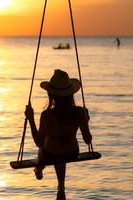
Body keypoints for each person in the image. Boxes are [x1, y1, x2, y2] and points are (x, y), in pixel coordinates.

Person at [24, 69, 92, 200]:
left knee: (45, 147)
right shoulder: (79, 112)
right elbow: (88, 140)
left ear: (51, 95)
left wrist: (31, 118)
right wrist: (86, 120)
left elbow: (39, 142)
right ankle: (61, 187)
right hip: (72, 152)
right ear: (70, 94)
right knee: (61, 153)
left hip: (50, 153)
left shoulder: (47, 115)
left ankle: (39, 168)